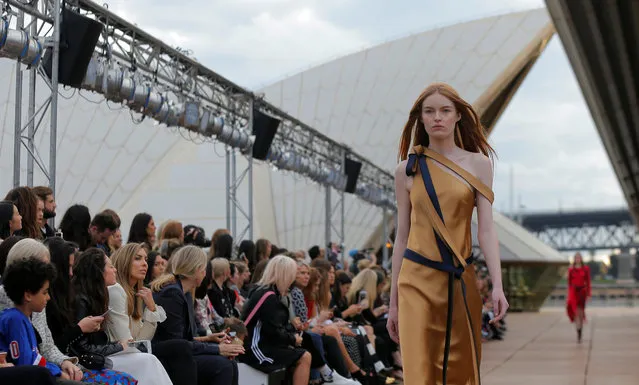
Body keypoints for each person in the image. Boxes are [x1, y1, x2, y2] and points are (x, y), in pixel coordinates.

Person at [387, 82, 509, 385]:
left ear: (458, 116)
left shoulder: (479, 164)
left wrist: (497, 285)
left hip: (458, 278)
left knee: (460, 371)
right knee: (419, 372)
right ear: (421, 118)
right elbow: (401, 237)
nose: (437, 117)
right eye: (429, 111)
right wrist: (393, 303)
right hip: (414, 281)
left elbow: (487, 230)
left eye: (445, 110)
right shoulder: (407, 169)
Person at [566, 252, 591, 343]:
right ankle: (578, 329)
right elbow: (569, 283)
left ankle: (580, 330)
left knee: (581, 313)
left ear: (581, 259)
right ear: (574, 259)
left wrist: (589, 294)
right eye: (576, 258)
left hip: (582, 292)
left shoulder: (586, 269)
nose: (577, 259)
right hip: (573, 291)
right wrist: (568, 295)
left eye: (579, 258)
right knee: (575, 312)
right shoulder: (571, 270)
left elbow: (588, 282)